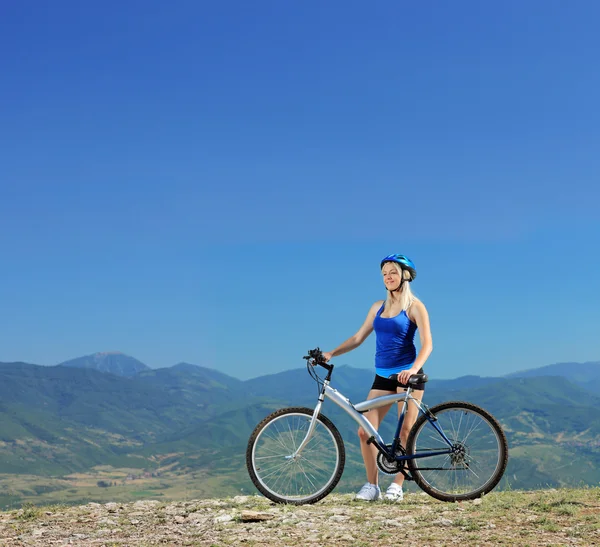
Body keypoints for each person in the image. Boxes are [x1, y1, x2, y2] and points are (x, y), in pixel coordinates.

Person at [322, 254, 433, 502]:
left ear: (405, 275)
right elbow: (358, 337)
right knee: (365, 432)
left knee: (406, 431)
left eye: (392, 271)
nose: (388, 277)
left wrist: (414, 370)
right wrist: (332, 352)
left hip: (408, 377)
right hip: (383, 376)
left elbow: (428, 344)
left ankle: (398, 485)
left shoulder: (415, 307)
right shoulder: (377, 307)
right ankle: (372, 486)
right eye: (384, 273)